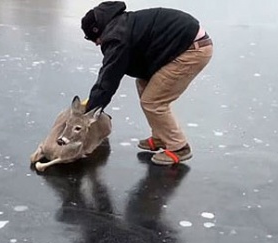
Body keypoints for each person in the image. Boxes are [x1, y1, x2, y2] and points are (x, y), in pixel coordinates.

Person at [81, 1, 213, 165]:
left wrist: (92, 108)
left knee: (153, 101)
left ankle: (179, 148)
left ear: (97, 30)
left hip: (191, 50)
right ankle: (160, 137)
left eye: (94, 39)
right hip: (182, 45)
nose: (96, 43)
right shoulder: (120, 23)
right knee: (143, 83)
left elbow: (109, 77)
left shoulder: (116, 36)